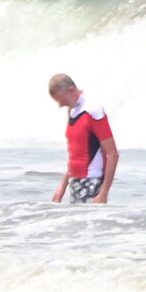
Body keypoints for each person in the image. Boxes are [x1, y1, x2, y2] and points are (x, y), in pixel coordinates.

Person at [48, 73, 118, 204]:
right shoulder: (73, 111)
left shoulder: (93, 110)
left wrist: (104, 193)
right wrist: (62, 187)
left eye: (61, 100)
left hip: (92, 182)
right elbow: (76, 155)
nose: (60, 105)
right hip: (75, 181)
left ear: (71, 90)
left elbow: (112, 154)